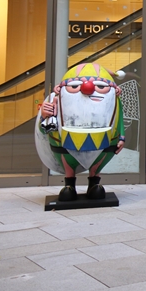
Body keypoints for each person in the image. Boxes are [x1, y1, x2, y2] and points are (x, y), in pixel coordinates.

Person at [36, 63, 125, 201]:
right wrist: (44, 115)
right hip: (63, 142)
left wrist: (121, 137)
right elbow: (44, 128)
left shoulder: (114, 101)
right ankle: (69, 185)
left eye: (100, 86)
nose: (87, 88)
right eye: (74, 86)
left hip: (105, 142)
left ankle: (94, 183)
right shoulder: (55, 100)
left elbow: (119, 119)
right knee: (68, 162)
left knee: (97, 162)